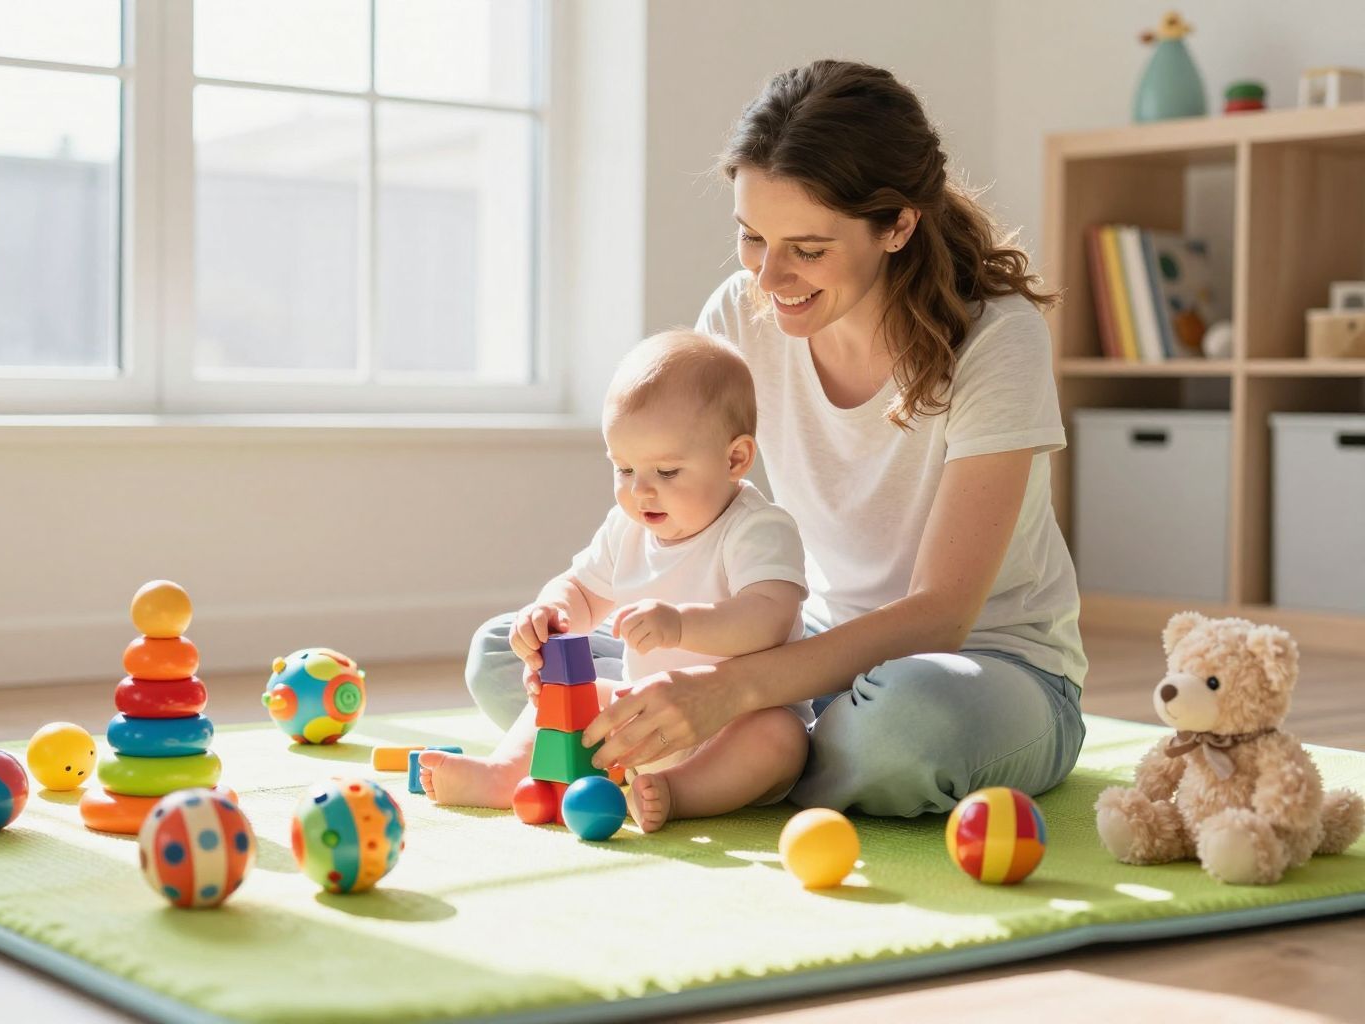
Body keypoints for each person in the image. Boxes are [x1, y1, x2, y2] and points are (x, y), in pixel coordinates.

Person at [466, 59, 1088, 819]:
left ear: (897, 225)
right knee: (509, 653)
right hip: (803, 644)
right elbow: (695, 506)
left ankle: (746, 754)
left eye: (808, 249)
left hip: (978, 666)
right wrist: (603, 625)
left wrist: (724, 692)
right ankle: (751, 755)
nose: (769, 277)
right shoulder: (739, 314)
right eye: (753, 237)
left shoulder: (996, 339)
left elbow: (939, 614)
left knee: (905, 727)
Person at [419, 329, 811, 831]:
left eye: (667, 472)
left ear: (735, 459)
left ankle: (679, 792)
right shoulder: (627, 527)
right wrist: (550, 614)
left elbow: (769, 619)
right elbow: (582, 590)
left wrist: (680, 626)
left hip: (736, 724)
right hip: (642, 718)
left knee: (780, 736)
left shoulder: (758, 527)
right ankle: (508, 776)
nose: (640, 490)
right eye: (623, 468)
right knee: (581, 694)